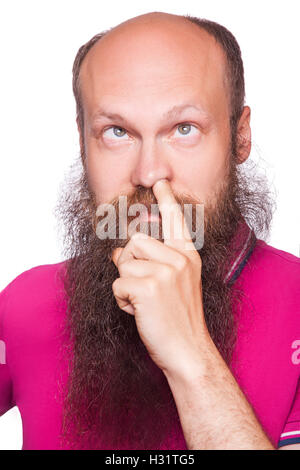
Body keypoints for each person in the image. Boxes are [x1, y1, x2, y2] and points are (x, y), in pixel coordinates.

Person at [0, 11, 299, 450]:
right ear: (82, 142)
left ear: (240, 137)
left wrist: (190, 354)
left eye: (184, 129)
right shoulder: (25, 302)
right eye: (117, 132)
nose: (148, 172)